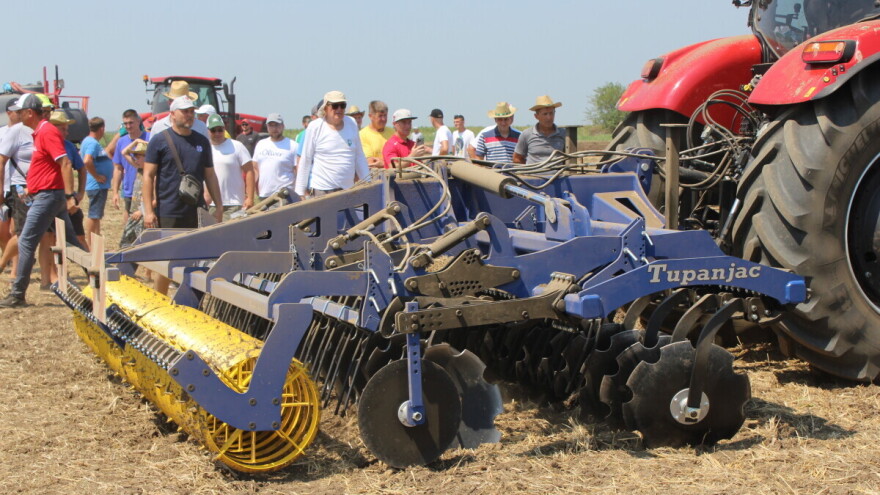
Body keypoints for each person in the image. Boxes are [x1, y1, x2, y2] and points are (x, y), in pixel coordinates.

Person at [0, 94, 84, 308]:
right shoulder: (40, 132)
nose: (17, 115)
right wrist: (32, 187)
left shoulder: (46, 131)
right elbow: (48, 167)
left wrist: (68, 196)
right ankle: (99, 274)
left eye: (20, 111)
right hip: (46, 193)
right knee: (70, 241)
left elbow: (65, 163)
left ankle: (17, 294)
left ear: (29, 113)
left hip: (49, 196)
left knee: (26, 240)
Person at [295, 91, 369, 199]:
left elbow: (359, 156)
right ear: (325, 108)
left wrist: (368, 182)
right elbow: (306, 159)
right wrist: (300, 192)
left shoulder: (352, 123)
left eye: (342, 105)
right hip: (322, 191)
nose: (339, 109)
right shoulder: (315, 127)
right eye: (335, 106)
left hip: (348, 190)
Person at [206, 114, 255, 219]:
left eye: (220, 129)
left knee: (232, 234)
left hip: (234, 204)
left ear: (224, 129)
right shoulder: (205, 149)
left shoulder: (237, 146)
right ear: (208, 131)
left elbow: (250, 171)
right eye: (213, 130)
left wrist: (250, 198)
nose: (217, 133)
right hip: (212, 205)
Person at [112, 109, 150, 225]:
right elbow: (118, 168)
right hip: (129, 188)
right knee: (129, 219)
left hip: (147, 186)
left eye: (131, 123)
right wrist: (115, 192)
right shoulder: (121, 142)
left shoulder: (150, 138)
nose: (128, 126)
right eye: (126, 123)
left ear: (138, 121)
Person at [80, 117, 113, 244]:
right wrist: (97, 176)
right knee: (94, 215)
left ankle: (96, 242)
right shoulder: (92, 143)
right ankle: (90, 244)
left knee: (97, 215)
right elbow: (87, 160)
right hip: (96, 185)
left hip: (98, 185)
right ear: (102, 129)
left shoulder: (88, 141)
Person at [252, 113, 298, 202]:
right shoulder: (261, 144)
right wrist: (252, 190)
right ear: (267, 127)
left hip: (284, 195)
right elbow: (255, 168)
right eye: (271, 126)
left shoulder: (293, 146)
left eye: (277, 125)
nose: (274, 129)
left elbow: (297, 171)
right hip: (264, 195)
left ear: (283, 126)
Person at [514, 95, 566, 164]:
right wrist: (528, 171)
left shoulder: (564, 134)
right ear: (536, 116)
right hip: (533, 174)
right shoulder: (527, 134)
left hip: (558, 174)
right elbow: (517, 158)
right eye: (545, 114)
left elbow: (570, 157)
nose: (549, 117)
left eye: (551, 113)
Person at [359, 100, 393, 168]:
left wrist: (383, 162)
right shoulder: (362, 135)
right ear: (371, 116)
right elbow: (371, 161)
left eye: (385, 115)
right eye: (380, 116)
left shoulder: (392, 133)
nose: (383, 119)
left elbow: (400, 157)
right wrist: (390, 163)